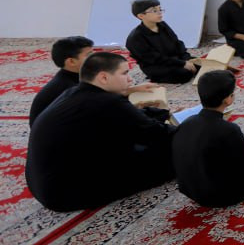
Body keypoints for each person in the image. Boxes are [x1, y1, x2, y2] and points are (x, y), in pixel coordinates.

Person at [25, 52, 175, 212]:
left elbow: (132, 118)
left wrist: (157, 114)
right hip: (64, 194)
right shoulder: (107, 102)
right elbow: (158, 134)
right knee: (172, 154)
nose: (130, 79)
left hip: (41, 185)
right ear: (103, 77)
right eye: (124, 73)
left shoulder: (74, 92)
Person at [171, 69, 244, 208]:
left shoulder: (188, 122)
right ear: (227, 99)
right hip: (223, 195)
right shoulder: (228, 129)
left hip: (191, 189)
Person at [30, 36, 157, 126]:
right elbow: (104, 105)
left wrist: (133, 90)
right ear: (71, 62)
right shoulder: (68, 87)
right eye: (89, 55)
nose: (95, 57)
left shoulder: (72, 78)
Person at [125, 0, 198, 83]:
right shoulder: (136, 37)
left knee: (202, 64)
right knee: (184, 74)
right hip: (157, 65)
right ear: (141, 16)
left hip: (174, 59)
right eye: (154, 11)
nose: (159, 13)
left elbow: (177, 43)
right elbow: (155, 59)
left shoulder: (162, 25)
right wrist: (182, 63)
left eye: (160, 9)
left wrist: (186, 59)